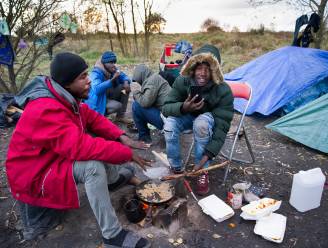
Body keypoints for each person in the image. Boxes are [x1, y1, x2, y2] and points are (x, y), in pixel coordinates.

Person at [6, 52, 151, 248]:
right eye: (82, 77)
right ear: (66, 83)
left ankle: (113, 180)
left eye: (87, 74)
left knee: (101, 144)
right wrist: (127, 154)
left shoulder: (63, 97)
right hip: (34, 173)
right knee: (92, 164)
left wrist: (120, 136)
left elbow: (91, 117)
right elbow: (81, 148)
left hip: (50, 159)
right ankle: (112, 236)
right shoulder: (45, 109)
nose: (89, 80)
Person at [162, 44, 234, 195]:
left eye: (208, 69)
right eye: (199, 68)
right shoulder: (183, 81)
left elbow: (221, 128)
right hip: (187, 116)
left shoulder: (223, 90)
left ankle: (202, 172)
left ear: (215, 71)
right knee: (169, 124)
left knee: (201, 123)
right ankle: (176, 167)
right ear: (193, 68)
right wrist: (183, 107)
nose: (203, 73)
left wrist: (205, 158)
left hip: (207, 122)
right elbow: (166, 107)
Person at [84, 51, 132, 124]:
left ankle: (120, 117)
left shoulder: (112, 69)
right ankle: (101, 116)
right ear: (104, 63)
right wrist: (112, 79)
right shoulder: (96, 73)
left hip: (106, 96)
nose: (113, 65)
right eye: (110, 63)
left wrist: (126, 82)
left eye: (114, 62)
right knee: (117, 105)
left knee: (124, 87)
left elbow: (124, 76)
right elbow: (97, 89)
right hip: (98, 101)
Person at [131, 64, 171, 143]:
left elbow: (145, 103)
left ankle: (144, 137)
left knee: (136, 106)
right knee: (139, 103)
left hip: (168, 121)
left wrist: (135, 91)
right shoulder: (154, 77)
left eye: (138, 81)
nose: (138, 82)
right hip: (171, 116)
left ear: (141, 76)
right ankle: (145, 136)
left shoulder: (151, 81)